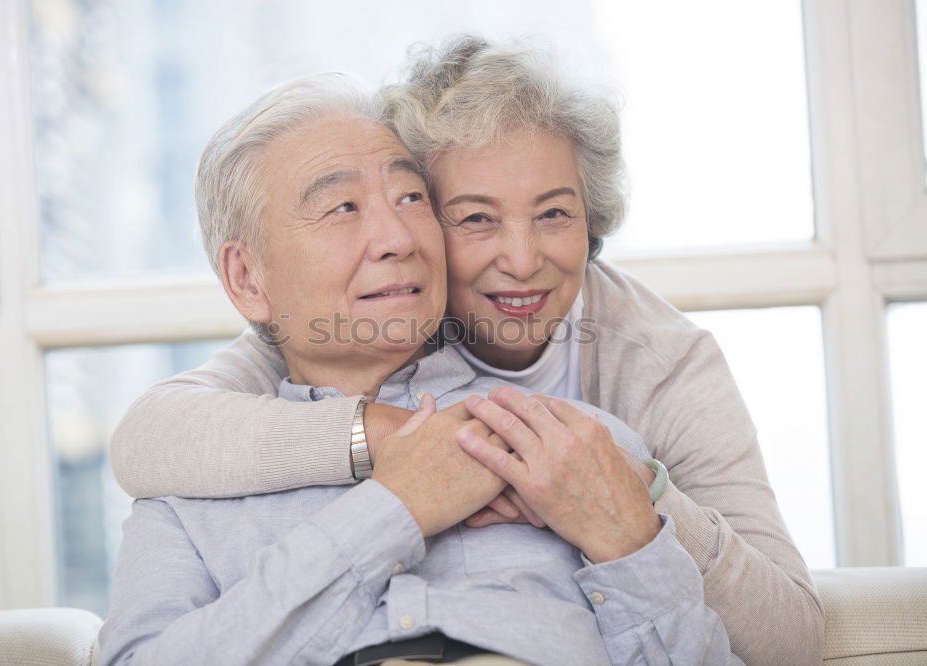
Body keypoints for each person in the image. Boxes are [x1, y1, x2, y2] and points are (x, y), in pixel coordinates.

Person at [109, 37, 823, 664]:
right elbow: (150, 434)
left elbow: (778, 639)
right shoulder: (202, 470)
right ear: (246, 278)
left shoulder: (597, 427)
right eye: (475, 217)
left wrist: (633, 511)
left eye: (409, 200)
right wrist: (397, 489)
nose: (521, 259)